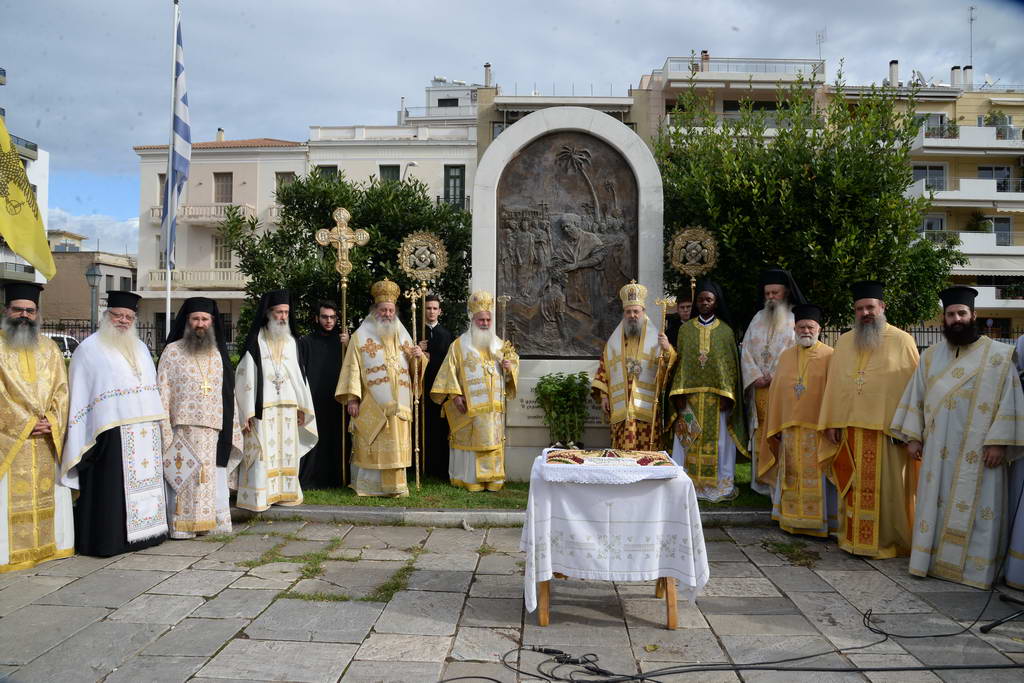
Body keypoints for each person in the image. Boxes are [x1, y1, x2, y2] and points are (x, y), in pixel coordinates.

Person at [891, 286, 1024, 588]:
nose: (956, 319)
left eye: (962, 313)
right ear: (944, 318)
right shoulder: (930, 357)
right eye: (951, 314)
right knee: (934, 505)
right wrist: (913, 437)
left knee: (981, 510)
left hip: (982, 452)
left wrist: (998, 442)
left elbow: (1010, 401)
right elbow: (916, 397)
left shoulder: (999, 356)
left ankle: (975, 571)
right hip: (938, 452)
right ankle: (932, 562)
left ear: (973, 315)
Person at [61, 291, 168, 556]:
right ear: (107, 316)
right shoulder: (89, 349)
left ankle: (145, 536)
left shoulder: (141, 348)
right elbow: (81, 393)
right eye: (118, 315)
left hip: (144, 432)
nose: (123, 321)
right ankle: (109, 540)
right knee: (111, 490)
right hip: (109, 432)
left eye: (129, 317)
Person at [818, 281, 919, 559]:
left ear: (882, 307)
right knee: (852, 487)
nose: (865, 313)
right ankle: (852, 539)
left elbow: (914, 389)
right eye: (859, 309)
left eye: (870, 307)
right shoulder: (844, 341)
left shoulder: (902, 340)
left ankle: (888, 542)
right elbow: (835, 385)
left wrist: (911, 430)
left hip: (888, 433)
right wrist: (832, 421)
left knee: (888, 492)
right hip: (850, 432)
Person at [1, 283, 74, 571]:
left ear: (37, 313)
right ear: (6, 311)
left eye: (30, 311)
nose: (24, 315)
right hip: (10, 442)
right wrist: (25, 422)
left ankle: (50, 548)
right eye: (18, 309)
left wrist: (52, 420)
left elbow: (62, 390)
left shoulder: (50, 348)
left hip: (46, 439)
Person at [158, 297, 243, 539]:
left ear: (212, 322)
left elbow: (226, 394)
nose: (200, 323)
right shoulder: (172, 352)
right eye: (195, 318)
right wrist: (165, 430)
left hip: (210, 429)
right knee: (183, 477)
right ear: (187, 321)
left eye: (205, 319)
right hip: (182, 428)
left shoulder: (216, 354)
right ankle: (182, 527)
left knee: (206, 479)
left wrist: (232, 424)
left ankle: (207, 523)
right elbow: (162, 392)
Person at [336, 280, 423, 497]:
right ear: (375, 311)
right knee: (371, 441)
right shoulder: (360, 336)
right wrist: (352, 398)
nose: (387, 314)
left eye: (391, 310)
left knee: (396, 446)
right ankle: (370, 486)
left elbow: (413, 370)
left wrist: (418, 358)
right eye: (383, 310)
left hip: (399, 405)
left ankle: (396, 486)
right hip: (371, 403)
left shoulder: (403, 335)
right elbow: (352, 367)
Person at [234, 289, 317, 512]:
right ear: (268, 313)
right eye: (279, 312)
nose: (283, 317)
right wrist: (247, 411)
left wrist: (302, 407)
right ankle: (262, 496)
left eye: (286, 313)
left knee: (286, 453)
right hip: (264, 409)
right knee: (264, 455)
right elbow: (245, 375)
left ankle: (285, 493)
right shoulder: (257, 340)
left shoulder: (291, 341)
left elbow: (299, 377)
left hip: (288, 409)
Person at [761, 303, 838, 538]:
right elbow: (777, 392)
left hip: (818, 430)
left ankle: (820, 524)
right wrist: (776, 423)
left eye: (810, 327)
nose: (806, 331)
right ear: (795, 329)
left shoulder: (830, 355)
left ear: (819, 329)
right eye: (802, 327)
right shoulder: (786, 356)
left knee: (818, 474)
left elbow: (834, 392)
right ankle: (791, 520)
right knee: (791, 474)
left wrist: (832, 423)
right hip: (790, 430)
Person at [431, 290, 520, 492]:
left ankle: (493, 479)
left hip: (493, 411)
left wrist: (509, 367)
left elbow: (512, 367)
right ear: (473, 319)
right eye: (481, 320)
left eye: (488, 320)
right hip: (469, 409)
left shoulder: (500, 345)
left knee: (492, 441)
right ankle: (469, 478)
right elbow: (448, 372)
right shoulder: (458, 345)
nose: (485, 323)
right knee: (471, 442)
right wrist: (455, 396)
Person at [669, 280, 748, 501]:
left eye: (709, 299)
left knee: (720, 442)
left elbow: (730, 368)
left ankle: (720, 485)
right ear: (697, 302)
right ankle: (686, 484)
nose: (705, 303)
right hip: (690, 399)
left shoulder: (725, 331)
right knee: (688, 438)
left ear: (716, 303)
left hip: (717, 400)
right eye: (701, 299)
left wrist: (728, 396)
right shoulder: (685, 330)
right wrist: (679, 393)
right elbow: (681, 363)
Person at [741, 268, 805, 496]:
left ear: (786, 292)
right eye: (767, 293)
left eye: (774, 293)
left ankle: (779, 481)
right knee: (760, 433)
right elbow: (745, 349)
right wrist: (755, 376)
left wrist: (773, 375)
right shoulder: (757, 318)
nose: (770, 297)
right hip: (758, 391)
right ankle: (760, 482)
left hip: (782, 391)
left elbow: (796, 352)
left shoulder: (795, 320)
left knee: (779, 434)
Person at [591, 281, 676, 449]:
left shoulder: (657, 338)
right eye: (628, 312)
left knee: (646, 448)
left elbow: (669, 366)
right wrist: (604, 396)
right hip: (620, 404)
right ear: (624, 314)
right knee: (621, 448)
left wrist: (667, 349)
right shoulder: (614, 342)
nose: (632, 315)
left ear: (643, 312)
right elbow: (604, 368)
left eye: (636, 311)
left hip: (646, 405)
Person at [297, 301, 349, 489]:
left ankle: (337, 479)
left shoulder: (343, 342)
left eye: (332, 317)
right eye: (325, 317)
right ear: (316, 318)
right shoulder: (305, 342)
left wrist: (349, 346)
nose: (329, 321)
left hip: (336, 399)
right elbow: (299, 372)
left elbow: (353, 367)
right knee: (314, 438)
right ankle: (310, 479)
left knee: (336, 438)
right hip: (314, 399)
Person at [417, 294, 454, 480]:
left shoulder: (447, 335)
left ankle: (439, 468)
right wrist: (418, 351)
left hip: (440, 389)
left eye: (434, 308)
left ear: (440, 311)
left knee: (439, 428)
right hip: (420, 388)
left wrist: (430, 358)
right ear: (423, 310)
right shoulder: (416, 332)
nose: (431, 311)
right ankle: (419, 466)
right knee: (421, 426)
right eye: (428, 308)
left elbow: (450, 363)